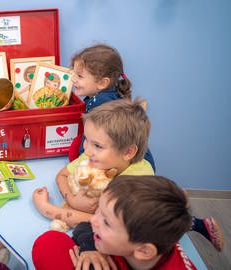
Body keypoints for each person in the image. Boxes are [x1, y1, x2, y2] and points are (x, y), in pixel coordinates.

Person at [33, 98, 224, 251]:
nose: (88, 150)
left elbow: (97, 221)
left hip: (148, 215)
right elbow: (62, 175)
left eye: (97, 145)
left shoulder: (134, 182)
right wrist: (71, 198)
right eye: (87, 141)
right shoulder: (95, 153)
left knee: (168, 221)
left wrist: (46, 208)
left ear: (127, 152)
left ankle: (198, 224)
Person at [32, 175, 197, 270]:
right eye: (99, 210)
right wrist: (90, 248)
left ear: (144, 250)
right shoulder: (138, 237)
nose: (94, 220)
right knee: (49, 243)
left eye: (107, 222)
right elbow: (86, 226)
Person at [68, 43, 156, 171]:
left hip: (130, 163)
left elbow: (100, 138)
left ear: (103, 83)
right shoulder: (99, 96)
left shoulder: (102, 102)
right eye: (74, 73)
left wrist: (84, 160)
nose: (73, 79)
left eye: (80, 76)